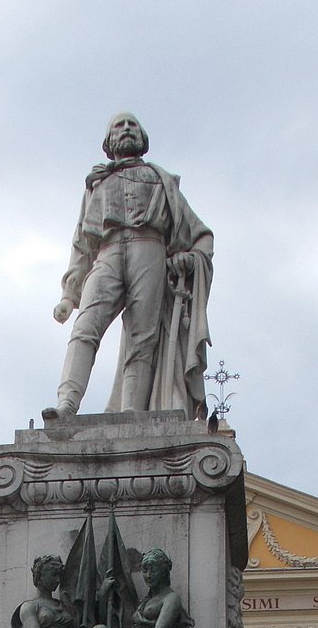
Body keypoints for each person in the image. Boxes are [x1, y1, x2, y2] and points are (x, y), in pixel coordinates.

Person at [45, 113, 213, 421]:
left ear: (143, 137)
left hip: (149, 248)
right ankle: (66, 403)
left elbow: (201, 235)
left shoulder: (162, 181)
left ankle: (131, 414)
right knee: (85, 328)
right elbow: (81, 243)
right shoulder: (96, 183)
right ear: (108, 142)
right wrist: (70, 295)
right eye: (119, 126)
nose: (126, 129)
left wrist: (190, 258)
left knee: (142, 337)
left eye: (132, 124)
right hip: (106, 252)